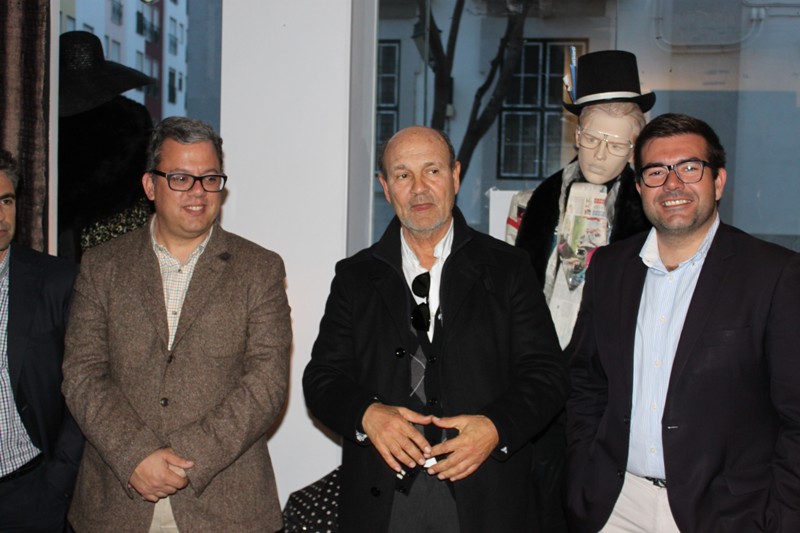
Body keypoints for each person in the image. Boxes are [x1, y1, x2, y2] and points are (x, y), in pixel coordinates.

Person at [303, 126, 567, 533]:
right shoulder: (355, 277)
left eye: (432, 171)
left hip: (486, 495)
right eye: (402, 175)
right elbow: (322, 379)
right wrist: (367, 414)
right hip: (383, 498)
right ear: (385, 187)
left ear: (455, 176)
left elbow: (548, 375)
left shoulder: (509, 268)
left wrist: (495, 427)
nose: (419, 188)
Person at [565, 113, 800, 532]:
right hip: (615, 507)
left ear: (718, 181)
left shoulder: (774, 274)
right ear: (640, 188)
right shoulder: (610, 268)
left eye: (689, 168)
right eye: (656, 172)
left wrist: (780, 519)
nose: (672, 184)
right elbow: (586, 382)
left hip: (728, 515)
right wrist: (583, 466)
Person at [62, 117, 292, 532]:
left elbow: (266, 384)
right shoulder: (102, 265)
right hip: (116, 502)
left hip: (227, 507)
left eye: (210, 178)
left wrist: (185, 459)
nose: (198, 192)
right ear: (150, 186)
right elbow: (82, 374)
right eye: (181, 178)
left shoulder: (260, 269)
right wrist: (135, 455)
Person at [511, 49, 654, 533]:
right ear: (576, 135)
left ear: (634, 149)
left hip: (604, 379)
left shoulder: (645, 212)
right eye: (591, 138)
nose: (599, 154)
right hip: (536, 367)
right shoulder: (539, 200)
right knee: (533, 497)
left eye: (616, 145)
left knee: (587, 495)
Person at [0, 149, 83, 531]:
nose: (1, 215)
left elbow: (86, 383)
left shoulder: (56, 281)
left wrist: (58, 480)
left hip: (31, 492)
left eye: (6, 200)